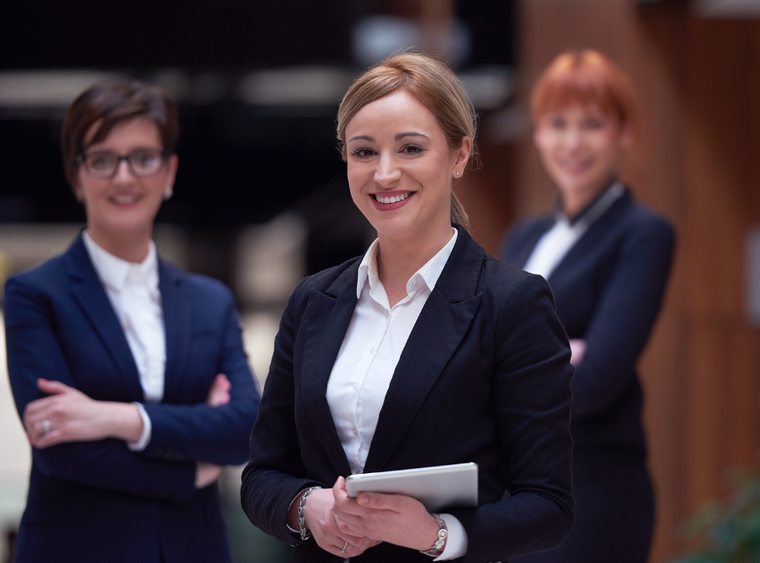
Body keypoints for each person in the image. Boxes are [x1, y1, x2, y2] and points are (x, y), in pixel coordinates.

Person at [240, 52, 574, 563]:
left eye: (411, 148)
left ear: (460, 154)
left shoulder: (512, 304)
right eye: (364, 152)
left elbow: (548, 505)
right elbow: (263, 474)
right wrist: (307, 507)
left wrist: (437, 533)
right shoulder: (313, 301)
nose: (385, 173)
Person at [4, 79, 260, 563]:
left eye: (143, 157)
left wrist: (114, 418)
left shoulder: (211, 301)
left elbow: (244, 428)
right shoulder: (35, 295)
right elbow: (60, 446)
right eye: (103, 159)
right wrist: (193, 469)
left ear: (169, 172)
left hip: (192, 548)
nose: (124, 177)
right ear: (76, 175)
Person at [501, 50, 675, 563]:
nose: (572, 143)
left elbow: (597, 380)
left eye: (592, 124)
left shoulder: (642, 235)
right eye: (557, 123)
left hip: (592, 496)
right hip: (514, 496)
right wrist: (556, 357)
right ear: (537, 134)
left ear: (623, 132)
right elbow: (475, 351)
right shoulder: (524, 236)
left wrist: (504, 373)